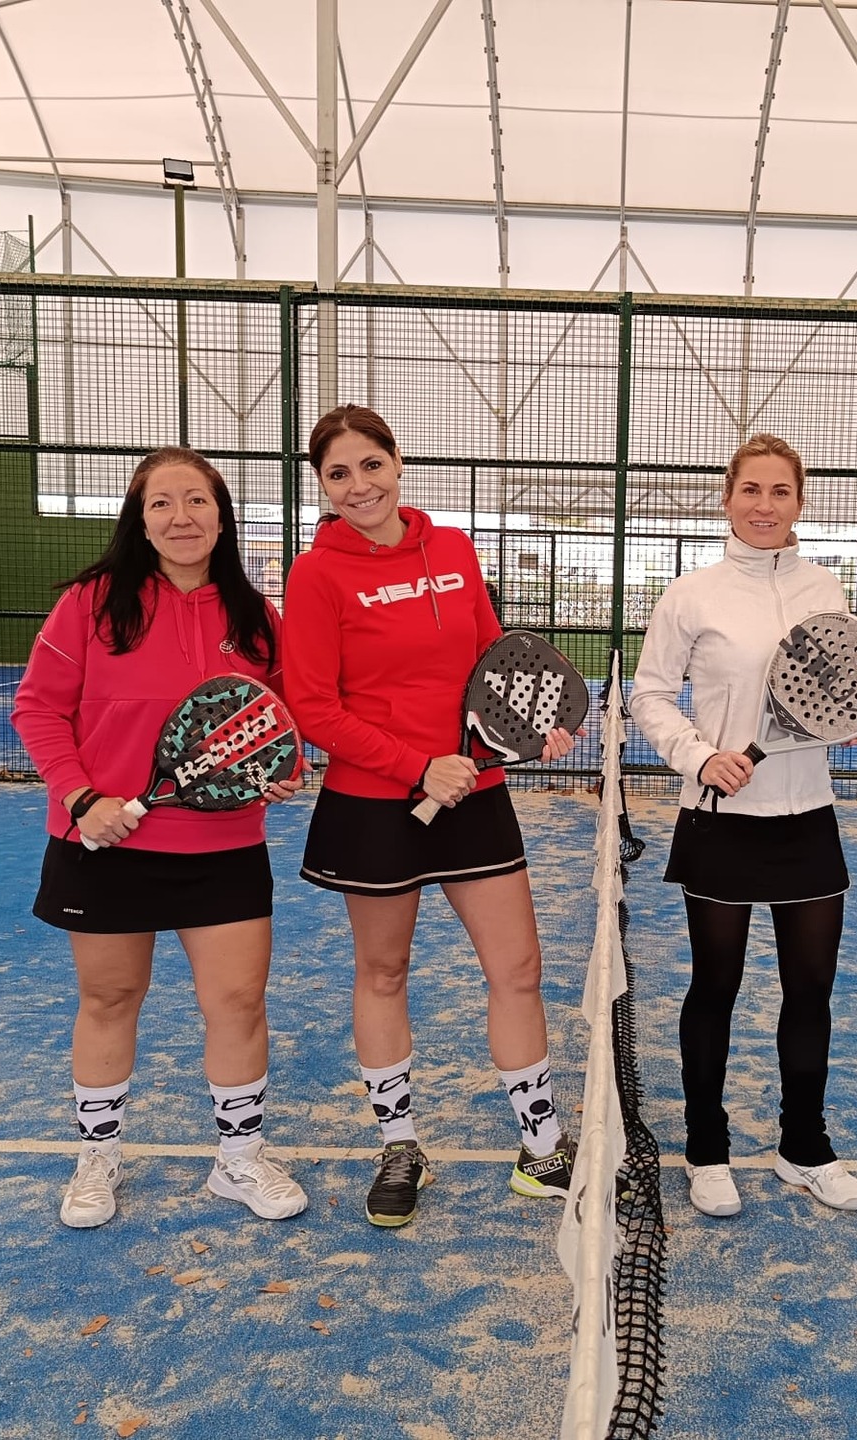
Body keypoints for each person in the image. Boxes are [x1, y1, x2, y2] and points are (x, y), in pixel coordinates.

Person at [281, 403, 578, 1229]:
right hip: (374, 805)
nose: (358, 486)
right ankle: (401, 1147)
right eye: (338, 474)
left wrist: (534, 723)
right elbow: (313, 705)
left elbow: (495, 660)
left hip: (475, 794)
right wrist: (416, 766)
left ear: (398, 462)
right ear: (322, 485)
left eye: (370, 465)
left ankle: (542, 1149)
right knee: (384, 972)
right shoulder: (315, 575)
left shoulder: (451, 549)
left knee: (518, 968)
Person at [12, 446, 309, 1230]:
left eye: (197, 501)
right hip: (104, 844)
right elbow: (37, 708)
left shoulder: (256, 616)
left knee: (237, 1001)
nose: (182, 517)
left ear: (222, 515)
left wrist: (285, 769)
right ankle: (97, 1158)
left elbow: (281, 721)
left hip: (223, 849)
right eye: (162, 504)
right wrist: (82, 799)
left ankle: (239, 1160)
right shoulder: (90, 604)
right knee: (110, 998)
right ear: (139, 522)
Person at [630, 434, 857, 1219]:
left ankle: (805, 1147)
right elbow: (648, 695)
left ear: (799, 502)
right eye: (751, 489)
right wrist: (699, 756)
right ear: (727, 496)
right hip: (720, 821)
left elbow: (835, 688)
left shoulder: (825, 587)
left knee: (811, 990)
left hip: (808, 817)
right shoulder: (691, 595)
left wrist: (855, 721)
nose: (765, 506)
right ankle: (707, 1149)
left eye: (780, 492)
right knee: (716, 986)